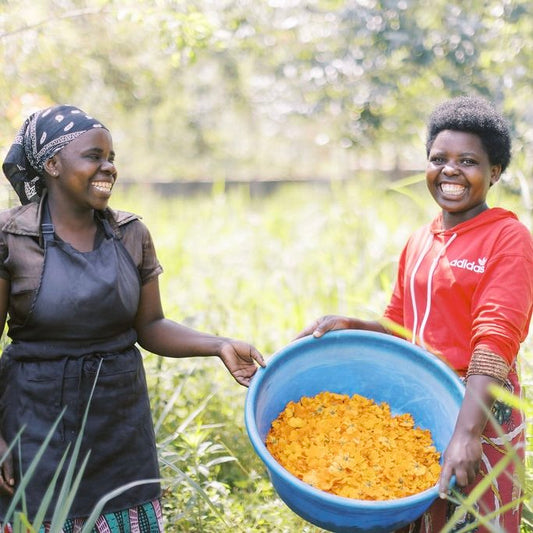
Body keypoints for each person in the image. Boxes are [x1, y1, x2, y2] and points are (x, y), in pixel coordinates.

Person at [0, 104, 265, 531]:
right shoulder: (12, 237)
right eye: (94, 156)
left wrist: (218, 346)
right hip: (36, 428)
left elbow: (150, 326)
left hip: (119, 426)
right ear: (51, 164)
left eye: (111, 158)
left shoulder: (130, 233)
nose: (108, 168)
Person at [297, 96, 533, 532]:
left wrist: (465, 434)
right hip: (420, 411)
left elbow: (495, 341)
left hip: (479, 414)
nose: (450, 170)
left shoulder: (508, 238)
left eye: (468, 160)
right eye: (438, 158)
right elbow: (399, 329)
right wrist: (351, 325)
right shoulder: (420, 241)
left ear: (495, 172)